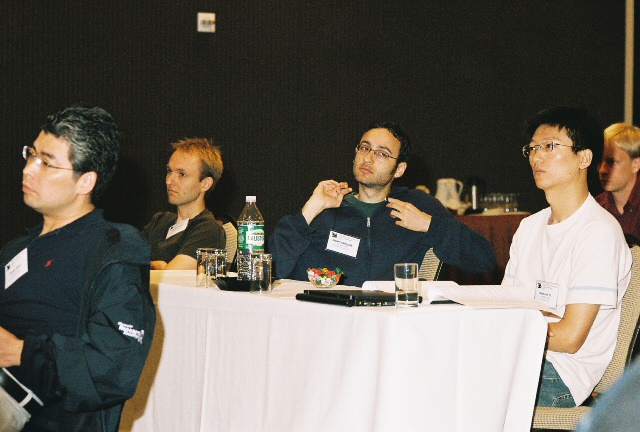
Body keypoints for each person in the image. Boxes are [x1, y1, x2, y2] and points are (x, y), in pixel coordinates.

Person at [0, 105, 156, 431]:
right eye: (31, 155)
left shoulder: (114, 248)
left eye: (47, 162)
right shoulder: (15, 250)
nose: (29, 169)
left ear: (84, 182)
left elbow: (113, 366)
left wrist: (19, 352)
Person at [502, 106, 632, 408]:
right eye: (532, 148)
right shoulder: (529, 226)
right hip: (520, 355)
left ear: (584, 158)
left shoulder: (597, 231)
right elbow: (506, 304)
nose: (537, 156)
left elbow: (570, 337)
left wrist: (502, 332)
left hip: (561, 372)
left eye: (549, 146)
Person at [268, 121, 496, 287]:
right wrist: (310, 210)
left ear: (399, 169)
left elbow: (483, 260)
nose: (368, 158)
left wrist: (430, 225)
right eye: (364, 148)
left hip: (390, 323)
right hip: (326, 321)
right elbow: (273, 270)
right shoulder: (326, 208)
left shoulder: (416, 207)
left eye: (382, 153)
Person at [142, 138, 226, 270]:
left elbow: (169, 278)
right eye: (169, 171)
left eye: (182, 174)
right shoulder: (159, 221)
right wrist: (157, 266)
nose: (169, 181)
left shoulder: (208, 229)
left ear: (205, 184)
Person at [596, 123, 640, 237]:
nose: (602, 170)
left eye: (611, 162)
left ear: (636, 164)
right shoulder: (595, 208)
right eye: (600, 162)